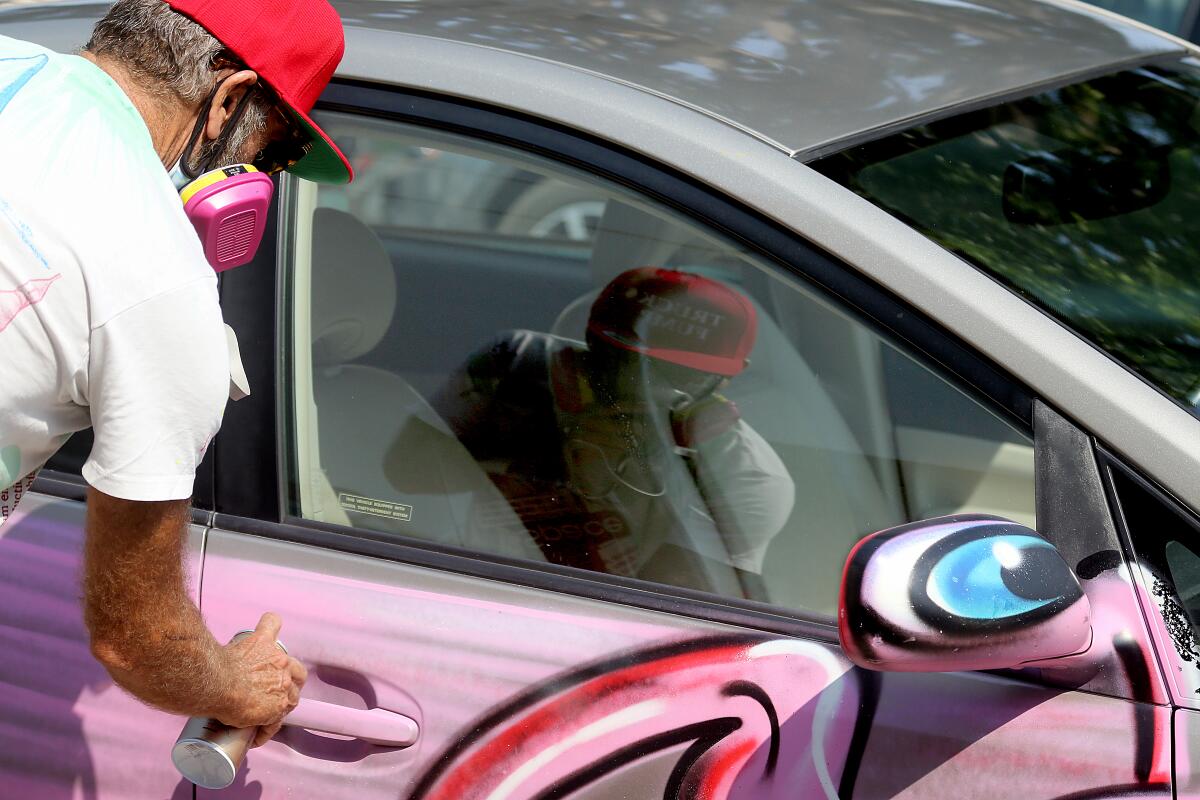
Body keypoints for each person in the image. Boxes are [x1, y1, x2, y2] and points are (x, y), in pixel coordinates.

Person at [0, 0, 353, 746]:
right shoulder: (161, 285)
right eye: (276, 149)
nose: (264, 173)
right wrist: (239, 687)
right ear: (229, 99)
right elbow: (137, 641)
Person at [429, 267, 795, 593]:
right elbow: (401, 482)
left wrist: (643, 471)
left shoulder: (747, 480)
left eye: (679, 374)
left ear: (728, 379)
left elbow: (659, 606)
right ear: (586, 344)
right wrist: (552, 440)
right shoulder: (512, 367)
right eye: (620, 363)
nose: (643, 391)